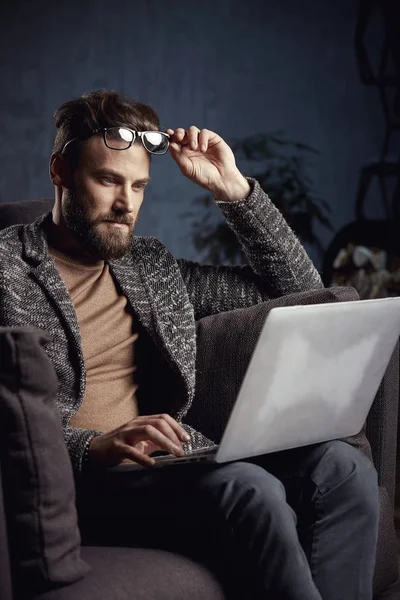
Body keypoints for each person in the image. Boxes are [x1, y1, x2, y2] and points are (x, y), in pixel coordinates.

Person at [0, 90, 379, 600]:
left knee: (343, 469)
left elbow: (304, 293)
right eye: (108, 180)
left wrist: (234, 191)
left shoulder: (150, 265)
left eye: (139, 186)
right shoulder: (7, 268)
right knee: (253, 491)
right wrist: (91, 446)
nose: (125, 203)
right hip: (85, 480)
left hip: (170, 462)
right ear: (59, 172)